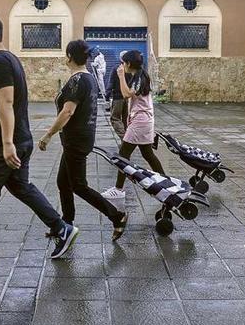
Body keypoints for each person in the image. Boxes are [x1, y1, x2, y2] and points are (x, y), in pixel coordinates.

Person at [0, 14, 78, 263]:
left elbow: (7, 102)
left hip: (3, 143)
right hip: (20, 138)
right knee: (20, 186)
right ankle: (61, 227)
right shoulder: (10, 58)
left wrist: (7, 143)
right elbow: (2, 103)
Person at [38, 40, 128, 241]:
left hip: (76, 140)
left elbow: (67, 111)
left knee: (78, 185)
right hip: (78, 139)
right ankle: (65, 224)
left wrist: (48, 134)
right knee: (63, 182)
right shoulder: (88, 78)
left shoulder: (78, 80)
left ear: (69, 56)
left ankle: (117, 216)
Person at [102, 50, 166, 199]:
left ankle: (118, 189)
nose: (122, 65)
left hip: (140, 122)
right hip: (144, 121)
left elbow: (125, 94)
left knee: (123, 156)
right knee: (148, 154)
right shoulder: (140, 75)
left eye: (124, 62)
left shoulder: (139, 78)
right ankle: (165, 182)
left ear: (128, 64)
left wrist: (120, 76)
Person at [107, 50, 131, 137]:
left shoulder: (116, 68)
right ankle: (127, 140)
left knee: (115, 118)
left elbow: (111, 82)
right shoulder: (131, 69)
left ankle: (124, 137)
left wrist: (107, 95)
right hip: (128, 98)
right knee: (126, 119)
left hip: (118, 98)